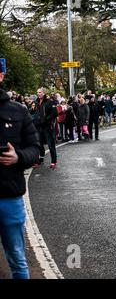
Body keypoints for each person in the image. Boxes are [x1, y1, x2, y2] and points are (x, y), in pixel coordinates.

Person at [0, 79, 40, 279]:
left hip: (10, 196)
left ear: (0, 76)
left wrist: (18, 157)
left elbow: (35, 149)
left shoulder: (19, 111)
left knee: (17, 258)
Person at [35, 88, 58, 168]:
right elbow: (35, 112)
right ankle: (40, 159)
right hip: (39, 126)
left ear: (44, 93)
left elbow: (55, 113)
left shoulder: (49, 101)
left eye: (40, 92)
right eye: (37, 92)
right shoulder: (37, 102)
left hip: (48, 127)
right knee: (39, 144)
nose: (38, 94)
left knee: (51, 145)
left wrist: (46, 119)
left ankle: (53, 161)